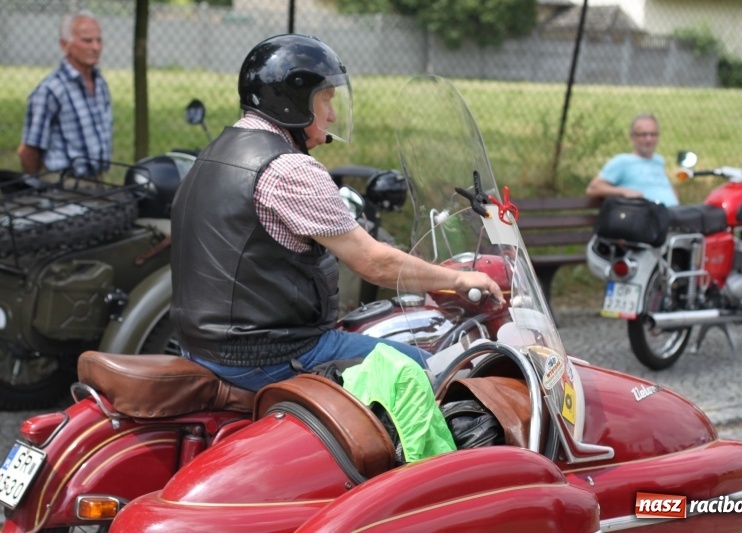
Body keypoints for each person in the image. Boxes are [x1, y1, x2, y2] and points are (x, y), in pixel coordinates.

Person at [169, 34, 503, 392]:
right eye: (325, 99)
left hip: (205, 347)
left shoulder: (214, 153)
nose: (333, 114)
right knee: (439, 370)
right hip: (268, 356)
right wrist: (458, 279)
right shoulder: (289, 168)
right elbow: (373, 263)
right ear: (293, 101)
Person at [18, 10, 112, 177]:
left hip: (97, 181)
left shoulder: (100, 83)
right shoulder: (51, 90)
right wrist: (37, 188)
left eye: (99, 40)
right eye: (87, 41)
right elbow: (29, 151)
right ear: (64, 44)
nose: (96, 47)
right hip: (62, 184)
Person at [585, 113, 678, 206]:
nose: (649, 139)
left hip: (673, 212)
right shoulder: (622, 161)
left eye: (653, 134)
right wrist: (623, 191)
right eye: (643, 135)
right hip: (644, 212)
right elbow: (593, 189)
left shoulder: (658, 161)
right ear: (632, 137)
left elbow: (666, 188)